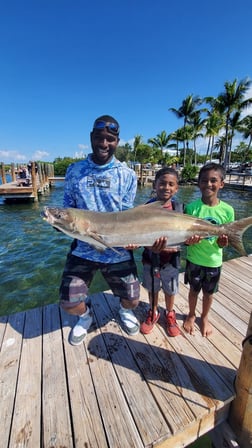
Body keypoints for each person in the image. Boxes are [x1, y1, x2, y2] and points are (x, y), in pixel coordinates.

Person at [59, 115, 140, 345]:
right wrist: (59, 225)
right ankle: (85, 316)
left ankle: (125, 311)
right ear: (91, 138)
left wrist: (133, 239)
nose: (104, 143)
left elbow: (127, 216)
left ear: (117, 141)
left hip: (117, 248)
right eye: (99, 138)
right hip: (83, 248)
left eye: (110, 139)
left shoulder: (127, 175)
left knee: (133, 300)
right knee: (69, 302)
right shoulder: (74, 171)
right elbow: (68, 209)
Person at [183, 162, 235, 337]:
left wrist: (223, 242)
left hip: (214, 261)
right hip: (194, 259)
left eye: (213, 180)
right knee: (193, 290)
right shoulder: (191, 208)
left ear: (222, 183)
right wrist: (190, 241)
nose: (208, 184)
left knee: (209, 293)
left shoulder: (228, 210)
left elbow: (223, 243)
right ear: (198, 183)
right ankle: (191, 314)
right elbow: (186, 239)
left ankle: (205, 317)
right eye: (204, 180)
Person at [140, 167, 183, 336]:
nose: (166, 187)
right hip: (150, 259)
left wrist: (194, 239)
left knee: (170, 290)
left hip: (171, 260)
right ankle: (153, 310)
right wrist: (147, 245)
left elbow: (185, 236)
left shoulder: (180, 208)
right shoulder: (145, 209)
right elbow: (138, 232)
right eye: (162, 183)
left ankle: (170, 313)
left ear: (176, 188)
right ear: (155, 185)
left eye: (171, 184)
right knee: (152, 288)